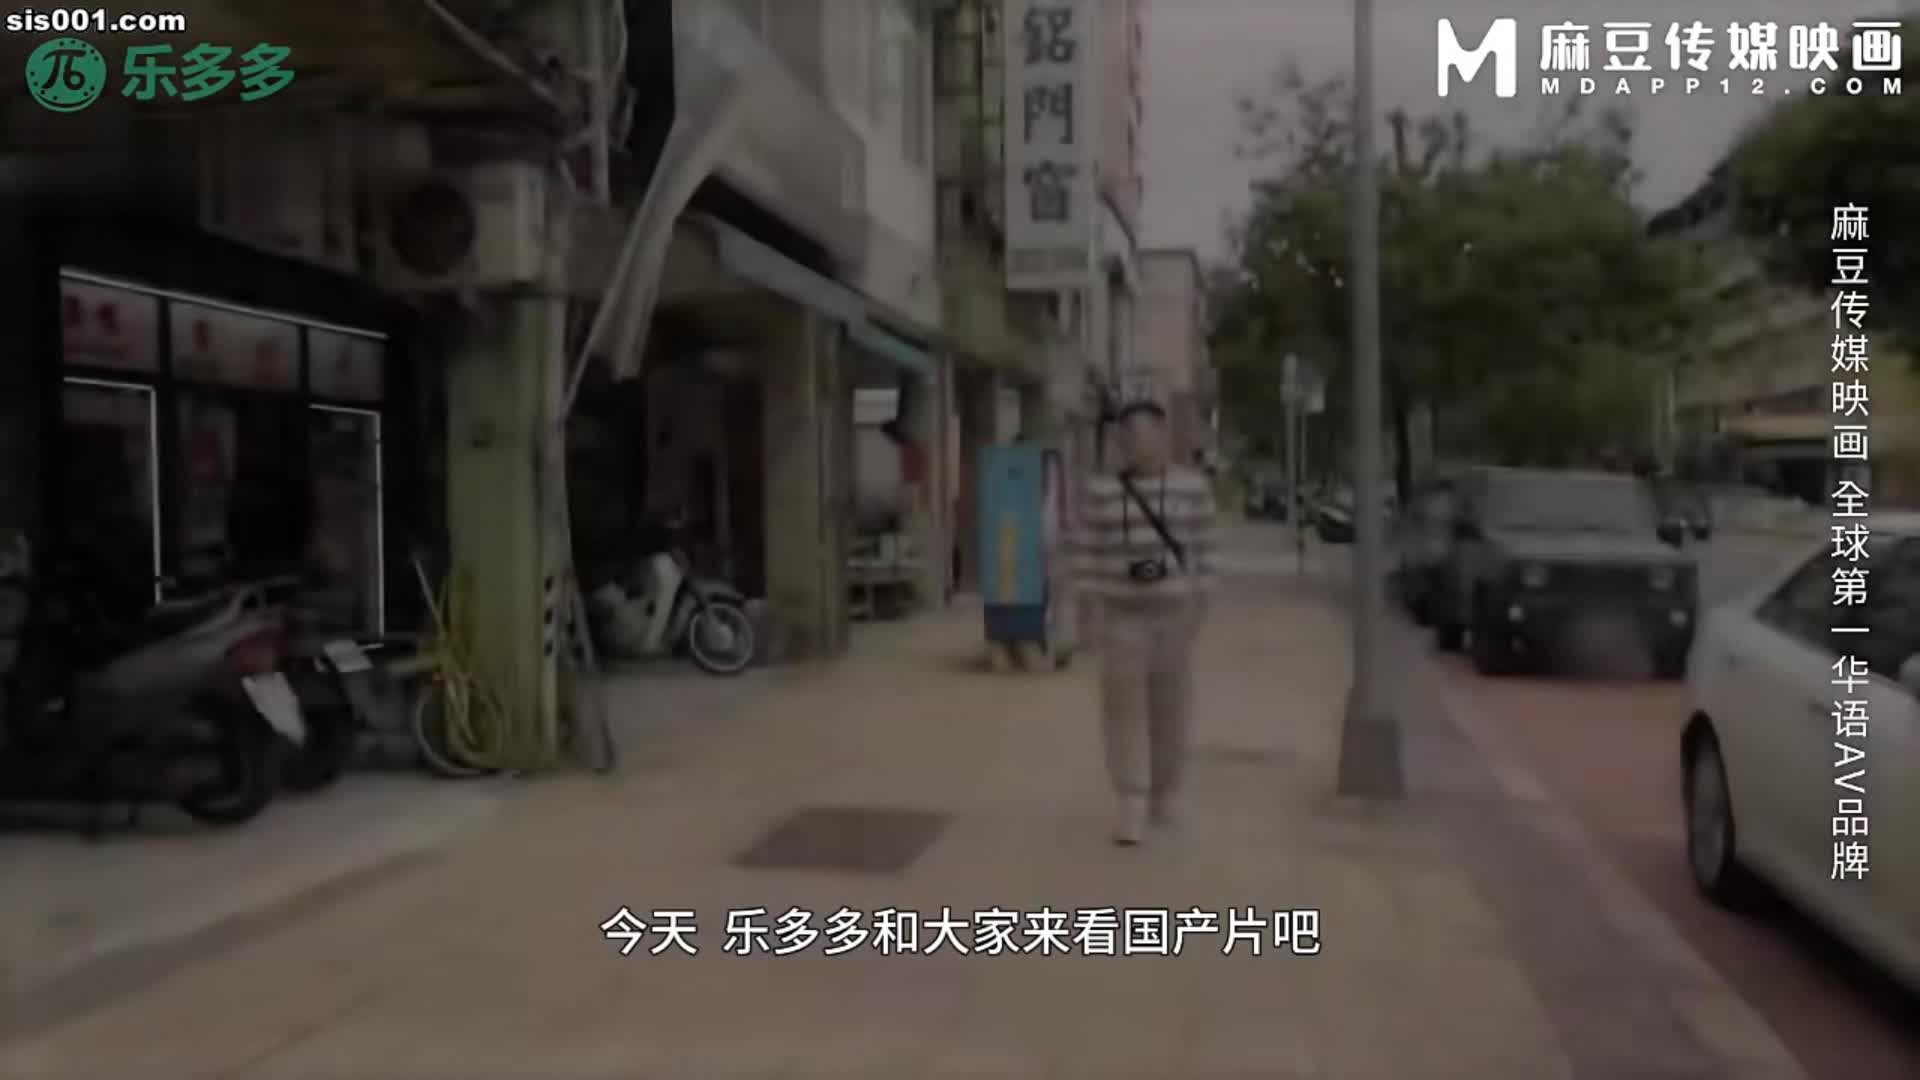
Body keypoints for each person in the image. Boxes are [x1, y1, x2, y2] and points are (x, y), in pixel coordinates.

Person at [1070, 399, 1217, 845]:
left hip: (1174, 615)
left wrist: (1199, 609)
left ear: (1162, 435)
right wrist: (1088, 612)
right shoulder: (1102, 491)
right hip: (1122, 617)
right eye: (1125, 436)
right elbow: (1086, 553)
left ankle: (1164, 793)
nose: (1131, 444)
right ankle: (1131, 799)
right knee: (1123, 711)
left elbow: (1205, 552)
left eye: (1139, 434)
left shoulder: (1192, 488)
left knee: (1171, 710)